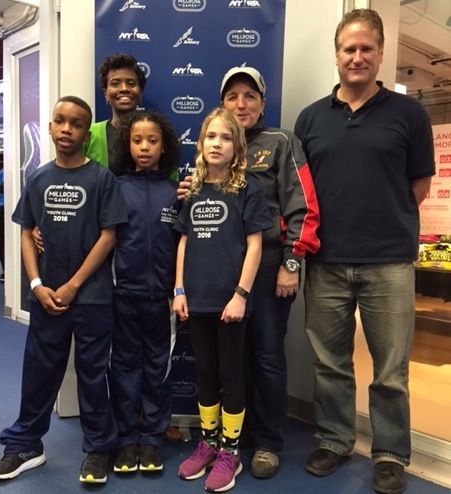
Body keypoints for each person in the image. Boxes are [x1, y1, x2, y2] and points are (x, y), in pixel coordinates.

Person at [294, 9, 435, 494]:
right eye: (348, 49)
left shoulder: (409, 114)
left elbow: (418, 185)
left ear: (379, 54)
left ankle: (391, 452)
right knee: (329, 361)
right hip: (326, 261)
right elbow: (301, 192)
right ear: (336, 55)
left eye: (366, 49)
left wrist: (382, 220)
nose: (357, 57)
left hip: (390, 261)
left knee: (390, 368)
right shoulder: (310, 118)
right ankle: (334, 439)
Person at [0, 96, 127, 484]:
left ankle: (99, 448)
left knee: (93, 373)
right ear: (49, 128)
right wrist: (37, 283)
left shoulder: (102, 180)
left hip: (92, 297)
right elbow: (26, 233)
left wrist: (73, 284)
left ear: (86, 132)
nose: (67, 129)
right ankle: (27, 445)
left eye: (77, 124)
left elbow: (109, 235)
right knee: (39, 371)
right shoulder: (39, 179)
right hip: (46, 297)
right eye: (60, 122)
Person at [173, 108, 272, 493]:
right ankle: (208, 443)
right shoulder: (193, 188)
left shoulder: (248, 189)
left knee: (231, 376)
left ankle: (231, 451)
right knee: (204, 375)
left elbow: (255, 244)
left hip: (230, 303)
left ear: (237, 146)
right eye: (211, 136)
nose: (217, 143)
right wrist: (179, 289)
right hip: (196, 300)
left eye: (226, 138)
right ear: (201, 144)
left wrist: (241, 295)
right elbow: (183, 241)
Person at [109, 110, 181, 474]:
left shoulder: (176, 192)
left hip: (163, 299)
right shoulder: (116, 187)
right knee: (124, 368)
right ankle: (126, 439)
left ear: (164, 145)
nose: (144, 147)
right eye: (137, 140)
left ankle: (151, 439)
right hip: (123, 297)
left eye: (152, 140)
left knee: (158, 368)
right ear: (127, 144)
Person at [85, 52, 146, 174]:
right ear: (105, 94)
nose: (124, 88)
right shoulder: (89, 134)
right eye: (115, 83)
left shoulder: (156, 133)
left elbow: (169, 183)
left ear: (140, 93)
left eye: (131, 83)